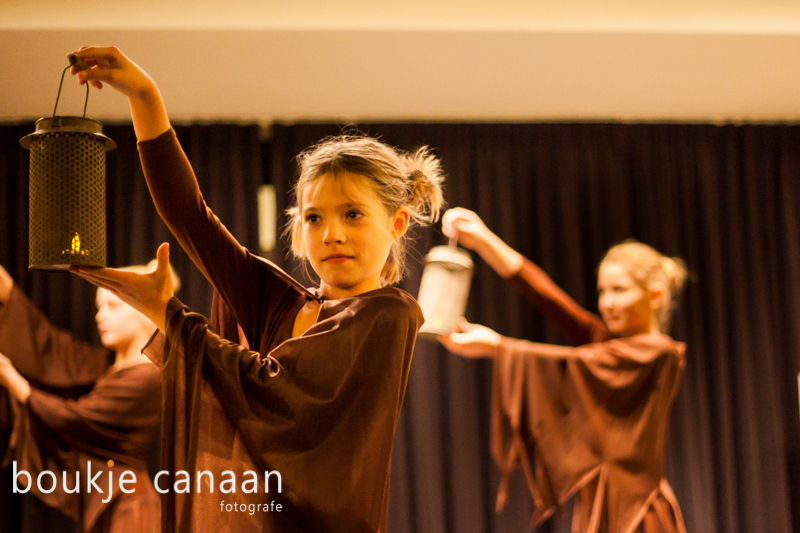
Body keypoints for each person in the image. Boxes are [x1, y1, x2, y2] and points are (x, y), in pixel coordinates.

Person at [66, 46, 445, 533]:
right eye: (314, 218)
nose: (331, 233)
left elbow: (274, 391)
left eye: (352, 214)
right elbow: (191, 218)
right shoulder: (278, 301)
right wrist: (145, 97)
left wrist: (170, 316)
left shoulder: (390, 316)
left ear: (396, 223)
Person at [438, 207, 688, 533]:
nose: (606, 303)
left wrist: (497, 346)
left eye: (619, 290)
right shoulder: (610, 343)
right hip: (600, 507)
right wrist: (484, 240)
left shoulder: (659, 355)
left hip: (638, 517)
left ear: (654, 296)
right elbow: (548, 297)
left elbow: (580, 362)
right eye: (602, 291)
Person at [0, 260, 179, 533]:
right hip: (110, 502)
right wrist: (6, 289)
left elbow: (76, 419)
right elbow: (55, 352)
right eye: (98, 307)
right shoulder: (109, 363)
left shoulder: (148, 377)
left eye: (113, 306)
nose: (100, 316)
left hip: (129, 509)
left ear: (143, 311)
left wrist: (11, 378)